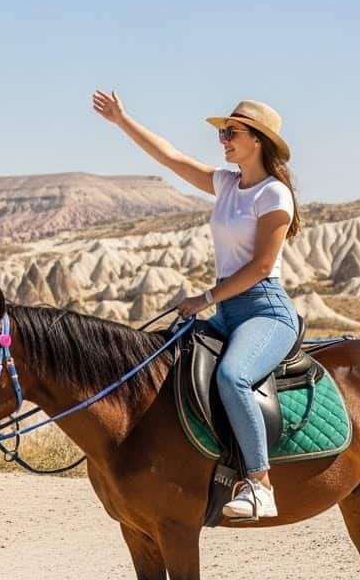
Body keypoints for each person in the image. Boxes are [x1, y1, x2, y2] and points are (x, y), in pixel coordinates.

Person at [92, 90, 301, 520]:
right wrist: (122, 119)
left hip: (265, 312)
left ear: (257, 139)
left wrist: (205, 298)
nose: (223, 139)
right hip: (227, 312)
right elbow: (169, 157)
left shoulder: (274, 196)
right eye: (222, 132)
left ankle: (260, 485)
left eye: (231, 132)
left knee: (232, 377)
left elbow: (262, 267)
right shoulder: (226, 183)